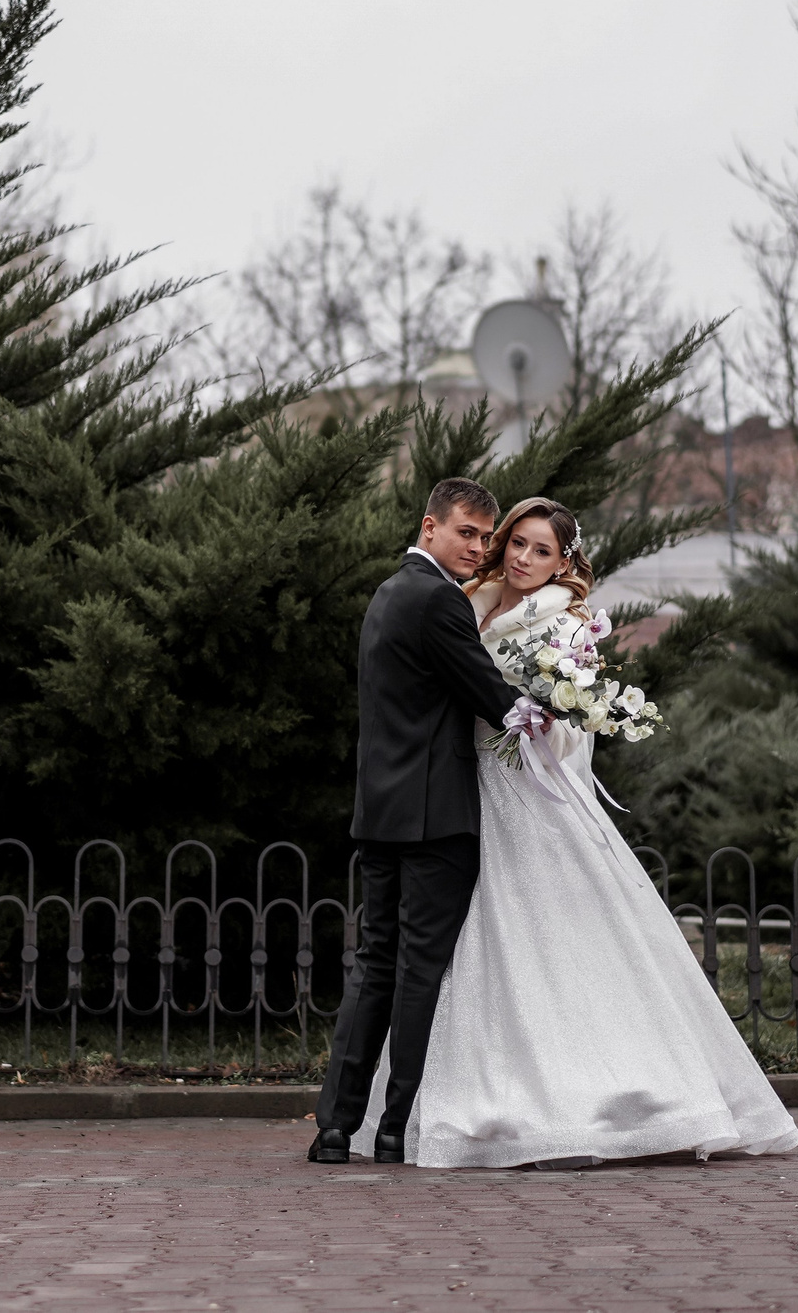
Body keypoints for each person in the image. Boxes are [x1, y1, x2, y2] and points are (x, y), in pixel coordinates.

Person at [340, 495, 798, 1167]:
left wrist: (551, 713)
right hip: (465, 793)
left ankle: (600, 1099)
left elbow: (567, 728)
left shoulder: (565, 622)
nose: (525, 558)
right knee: (471, 949)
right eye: (517, 543)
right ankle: (452, 1102)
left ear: (565, 563)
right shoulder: (468, 603)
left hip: (529, 792)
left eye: (542, 550)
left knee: (557, 939)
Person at [308, 476, 525, 1166]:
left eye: (486, 537)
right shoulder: (439, 600)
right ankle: (395, 1125)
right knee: (417, 972)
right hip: (435, 820)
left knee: (376, 965)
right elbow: (492, 697)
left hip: (380, 813)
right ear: (430, 526)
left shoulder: (387, 593)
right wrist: (554, 705)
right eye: (467, 531)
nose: (479, 546)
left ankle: (336, 1127)